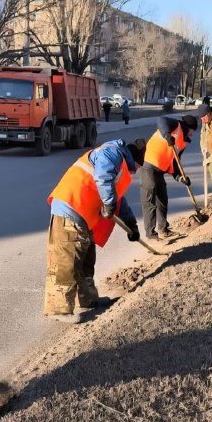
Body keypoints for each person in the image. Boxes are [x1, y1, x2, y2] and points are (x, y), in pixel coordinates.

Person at [45, 138, 147, 324]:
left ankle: (88, 299)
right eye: (139, 166)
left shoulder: (121, 167)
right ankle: (58, 309)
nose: (138, 170)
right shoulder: (112, 153)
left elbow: (118, 199)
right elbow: (103, 178)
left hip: (84, 216)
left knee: (86, 260)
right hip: (70, 208)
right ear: (135, 159)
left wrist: (131, 224)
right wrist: (108, 203)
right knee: (66, 261)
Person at [140, 115, 198, 240]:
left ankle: (163, 229)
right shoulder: (175, 125)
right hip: (149, 167)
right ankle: (151, 234)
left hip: (160, 171)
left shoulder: (182, 143)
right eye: (192, 131)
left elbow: (175, 164)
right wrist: (167, 135)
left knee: (162, 201)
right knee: (149, 202)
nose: (192, 135)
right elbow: (161, 120)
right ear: (189, 128)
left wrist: (181, 178)